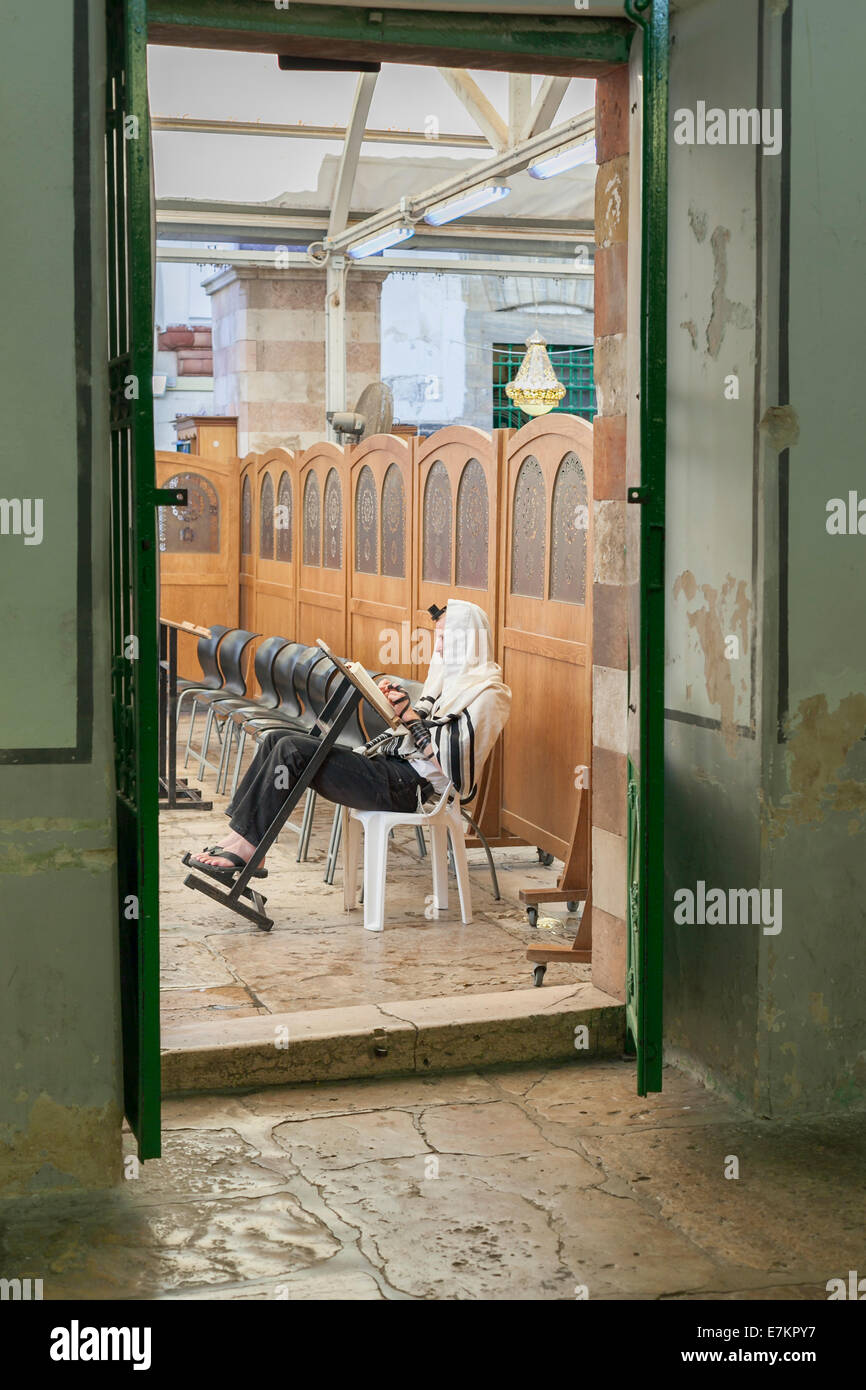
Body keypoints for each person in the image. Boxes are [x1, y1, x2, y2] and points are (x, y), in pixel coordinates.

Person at [188, 599, 511, 878]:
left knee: (291, 750)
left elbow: (450, 760)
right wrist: (397, 706)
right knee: (276, 738)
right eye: (437, 638)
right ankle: (241, 837)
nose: (437, 647)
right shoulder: (448, 681)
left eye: (444, 638)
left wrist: (409, 717)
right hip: (393, 769)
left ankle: (249, 848)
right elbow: (423, 725)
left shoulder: (488, 693)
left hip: (411, 788)